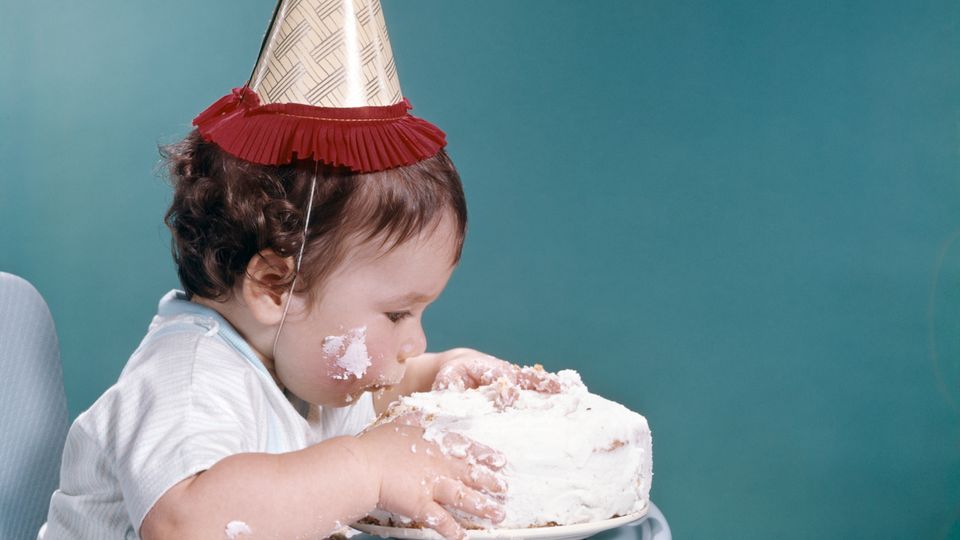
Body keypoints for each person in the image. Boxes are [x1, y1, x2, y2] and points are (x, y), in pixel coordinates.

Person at [43, 1, 559, 538]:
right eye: (398, 313)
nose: (414, 340)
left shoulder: (301, 358)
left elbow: (372, 392)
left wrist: (436, 374)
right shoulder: (190, 381)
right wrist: (368, 469)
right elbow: (186, 524)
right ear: (275, 286)